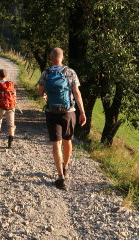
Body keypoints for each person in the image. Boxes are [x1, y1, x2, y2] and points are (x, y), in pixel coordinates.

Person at [37, 47, 87, 190]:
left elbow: (40, 93)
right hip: (69, 112)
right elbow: (76, 92)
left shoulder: (46, 73)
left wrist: (44, 94)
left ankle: (60, 178)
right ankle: (65, 167)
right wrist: (82, 112)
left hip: (52, 112)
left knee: (56, 144)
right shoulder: (70, 72)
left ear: (51, 58)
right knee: (68, 140)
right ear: (62, 58)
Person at [0, 68, 17, 148]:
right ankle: (10, 141)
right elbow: (15, 97)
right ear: (6, 75)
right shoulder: (11, 84)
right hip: (11, 106)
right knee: (11, 124)